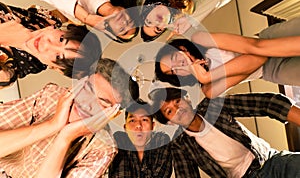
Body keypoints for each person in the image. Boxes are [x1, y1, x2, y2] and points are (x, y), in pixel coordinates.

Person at [0, 58, 140, 177]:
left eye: (101, 102)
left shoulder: (104, 149)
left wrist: (66, 136)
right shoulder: (52, 95)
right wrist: (53, 125)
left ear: (114, 113)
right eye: (87, 89)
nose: (86, 102)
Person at [150, 87, 300, 178]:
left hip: (270, 161)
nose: (178, 109)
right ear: (170, 122)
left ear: (187, 100)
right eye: (169, 111)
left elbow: (264, 103)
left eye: (177, 101)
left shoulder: (213, 106)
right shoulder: (179, 145)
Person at [155, 37, 300, 98]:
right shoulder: (208, 90)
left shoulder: (201, 40)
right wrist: (206, 78)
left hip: (269, 42)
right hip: (271, 71)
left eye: (174, 58)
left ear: (182, 48)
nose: (178, 66)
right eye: (173, 72)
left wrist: (207, 76)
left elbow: (257, 49)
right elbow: (257, 58)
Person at [22, 0, 141, 43]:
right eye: (130, 22)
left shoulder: (75, 17)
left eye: (122, 30)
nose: (124, 23)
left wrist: (86, 18)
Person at [140, 0, 245, 41]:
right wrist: (192, 20)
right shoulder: (189, 8)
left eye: (149, 22)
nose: (156, 22)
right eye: (158, 29)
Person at [109, 100, 172, 177]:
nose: (138, 125)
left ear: (152, 126)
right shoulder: (119, 140)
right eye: (132, 120)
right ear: (125, 128)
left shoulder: (161, 141)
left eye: (144, 119)